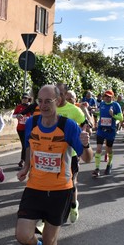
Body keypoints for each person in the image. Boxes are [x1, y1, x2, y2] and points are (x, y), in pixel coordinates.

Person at [15, 85, 92, 245]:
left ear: (58, 101)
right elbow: (30, 147)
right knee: (22, 235)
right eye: (40, 101)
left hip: (60, 191)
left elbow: (86, 158)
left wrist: (86, 145)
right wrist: (26, 167)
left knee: (50, 238)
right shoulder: (32, 122)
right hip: (34, 187)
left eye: (48, 101)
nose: (43, 105)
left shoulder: (68, 126)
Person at [56, 83, 88, 222]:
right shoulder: (50, 108)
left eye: (70, 98)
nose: (67, 100)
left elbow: (85, 123)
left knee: (72, 182)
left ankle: (74, 204)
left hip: (71, 154)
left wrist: (83, 135)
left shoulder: (74, 110)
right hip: (53, 153)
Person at [91, 90, 123, 177]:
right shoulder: (102, 104)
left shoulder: (116, 105)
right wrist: (94, 112)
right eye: (105, 96)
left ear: (112, 97)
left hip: (110, 131)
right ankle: (97, 168)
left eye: (109, 96)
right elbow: (100, 113)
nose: (107, 98)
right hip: (101, 130)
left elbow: (121, 118)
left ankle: (109, 164)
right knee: (98, 149)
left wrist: (113, 115)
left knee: (109, 150)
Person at [12, 93, 31, 169]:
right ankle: (23, 160)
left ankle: (26, 160)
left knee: (28, 145)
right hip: (20, 129)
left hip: (29, 129)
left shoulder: (30, 107)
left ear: (28, 99)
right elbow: (13, 115)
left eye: (26, 98)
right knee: (24, 144)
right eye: (23, 98)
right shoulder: (19, 107)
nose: (24, 99)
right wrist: (17, 115)